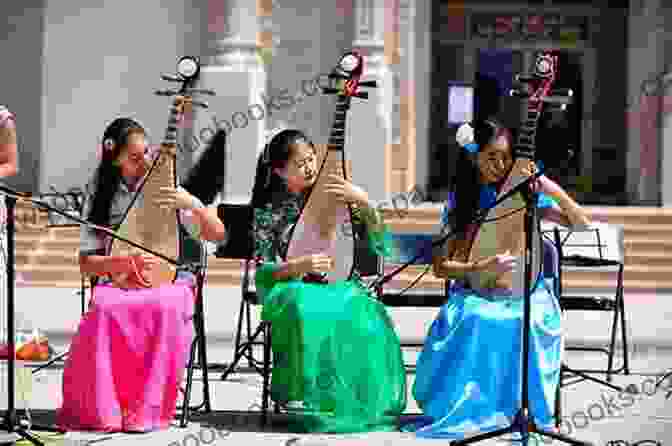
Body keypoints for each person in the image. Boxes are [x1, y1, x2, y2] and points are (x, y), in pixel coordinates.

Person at [404, 119, 590, 439]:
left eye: (505, 157)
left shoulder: (525, 194)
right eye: (491, 157)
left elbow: (581, 223)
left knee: (527, 321)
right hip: (477, 293)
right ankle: (474, 410)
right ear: (473, 157)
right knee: (476, 317)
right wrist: (480, 266)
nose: (500, 165)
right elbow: (441, 268)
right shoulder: (463, 202)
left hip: (527, 293)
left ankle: (522, 411)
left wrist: (546, 185)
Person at [57, 116, 226, 433]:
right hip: (118, 283)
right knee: (106, 307)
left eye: (147, 152)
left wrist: (195, 206)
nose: (145, 161)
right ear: (114, 159)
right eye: (135, 157)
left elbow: (219, 236)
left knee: (163, 307)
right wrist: (119, 264)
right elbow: (86, 263)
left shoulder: (167, 187)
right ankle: (109, 407)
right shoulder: (101, 196)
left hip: (172, 282)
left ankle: (146, 408)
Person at [251, 127, 407, 433]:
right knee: (305, 307)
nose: (310, 167)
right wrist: (299, 265)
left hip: (340, 286)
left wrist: (362, 202)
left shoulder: (334, 198)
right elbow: (264, 271)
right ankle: (311, 395)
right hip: (293, 288)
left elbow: (378, 242)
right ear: (281, 171)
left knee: (362, 309)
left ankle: (352, 396)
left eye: (312, 159)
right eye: (299, 164)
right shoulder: (268, 212)